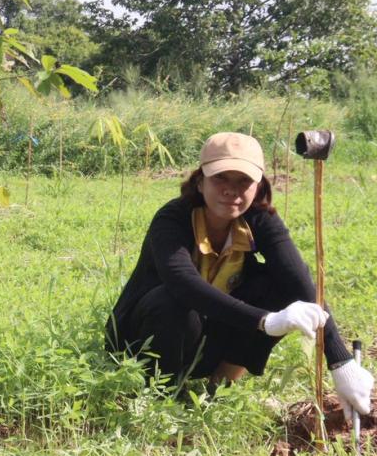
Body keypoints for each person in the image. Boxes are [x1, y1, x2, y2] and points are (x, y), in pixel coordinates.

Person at [107, 132, 373, 418]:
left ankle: (219, 387)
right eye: (220, 178)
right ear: (200, 181)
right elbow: (184, 285)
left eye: (243, 181)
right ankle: (163, 395)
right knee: (172, 301)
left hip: (207, 335)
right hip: (143, 341)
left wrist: (340, 361)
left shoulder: (260, 219)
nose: (231, 190)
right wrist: (265, 321)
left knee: (278, 287)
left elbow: (299, 283)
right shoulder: (172, 219)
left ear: (258, 187)